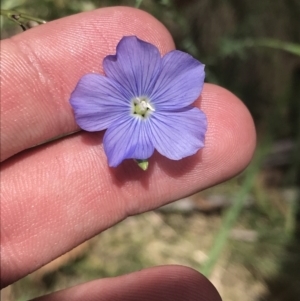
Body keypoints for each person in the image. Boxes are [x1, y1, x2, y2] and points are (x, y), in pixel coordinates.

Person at [0, 7, 256, 301]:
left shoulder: (180, 84)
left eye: (144, 106)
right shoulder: (119, 105)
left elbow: (189, 73)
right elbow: (95, 108)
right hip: (124, 120)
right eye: (141, 106)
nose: (144, 107)